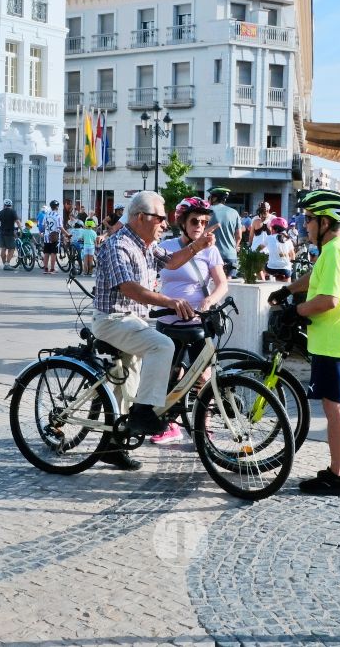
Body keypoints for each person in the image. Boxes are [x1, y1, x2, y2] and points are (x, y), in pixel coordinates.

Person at [91, 190, 218, 470]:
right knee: (162, 345)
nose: (165, 224)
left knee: (125, 386)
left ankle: (112, 445)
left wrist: (198, 247)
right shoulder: (119, 245)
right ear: (140, 218)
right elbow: (130, 289)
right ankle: (146, 414)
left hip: (133, 321)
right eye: (160, 218)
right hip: (113, 319)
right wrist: (171, 301)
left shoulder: (146, 244)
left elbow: (171, 261)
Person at [267, 189, 340, 496]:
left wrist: (295, 310)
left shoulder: (336, 252)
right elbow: (316, 277)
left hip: (332, 343)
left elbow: (328, 298)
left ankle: (336, 478)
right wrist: (288, 290)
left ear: (325, 221)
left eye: (309, 219)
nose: (305, 225)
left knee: (335, 408)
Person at [151, 196, 229, 445]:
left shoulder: (211, 250)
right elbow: (153, 278)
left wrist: (209, 302)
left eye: (204, 221)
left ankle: (203, 429)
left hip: (198, 323)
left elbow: (222, 284)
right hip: (169, 321)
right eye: (194, 220)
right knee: (171, 374)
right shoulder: (168, 247)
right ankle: (170, 426)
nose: (199, 225)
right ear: (182, 222)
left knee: (203, 377)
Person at [207, 187, 242, 277]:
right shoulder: (234, 212)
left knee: (211, 286)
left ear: (214, 198)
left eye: (210, 197)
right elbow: (239, 236)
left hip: (211, 255)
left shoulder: (207, 211)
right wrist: (235, 247)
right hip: (230, 255)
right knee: (228, 285)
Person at [0, 199, 20, 270]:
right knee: (12, 249)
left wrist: (0, 228)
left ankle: (4, 264)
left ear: (4, 205)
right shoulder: (13, 212)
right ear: (11, 205)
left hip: (2, 233)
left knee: (3, 248)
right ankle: (7, 264)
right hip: (10, 233)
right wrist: (21, 229)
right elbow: (17, 221)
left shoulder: (0, 212)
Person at [41, 200, 65, 274]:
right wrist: (67, 234)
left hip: (46, 236)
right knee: (53, 253)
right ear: (57, 207)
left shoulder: (46, 215)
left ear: (51, 207)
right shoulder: (57, 216)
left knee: (46, 252)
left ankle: (45, 269)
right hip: (55, 237)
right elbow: (60, 226)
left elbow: (43, 225)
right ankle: (52, 269)